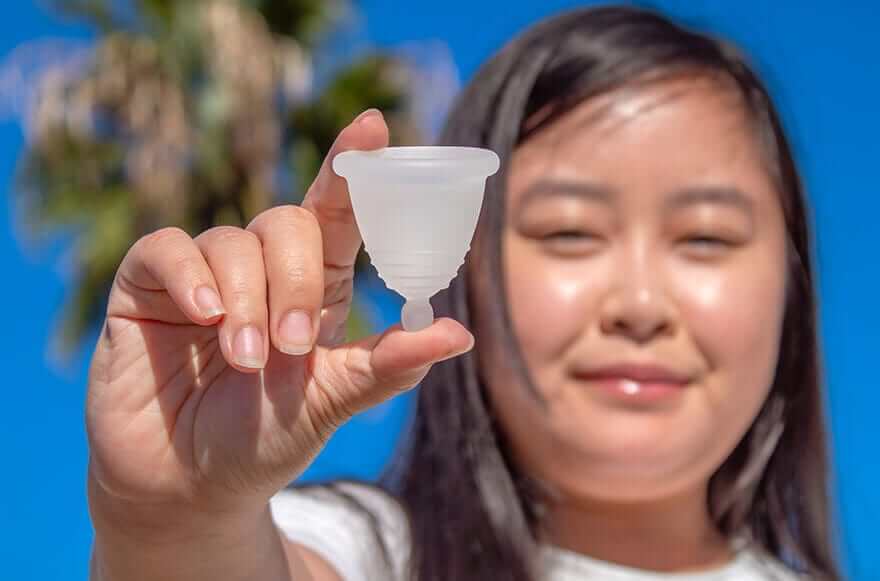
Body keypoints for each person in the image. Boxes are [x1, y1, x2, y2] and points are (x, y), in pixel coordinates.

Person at [85, 5, 843, 581]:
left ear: (791, 283)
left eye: (706, 238)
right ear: (467, 270)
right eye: (568, 233)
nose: (640, 304)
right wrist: (175, 520)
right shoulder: (367, 551)